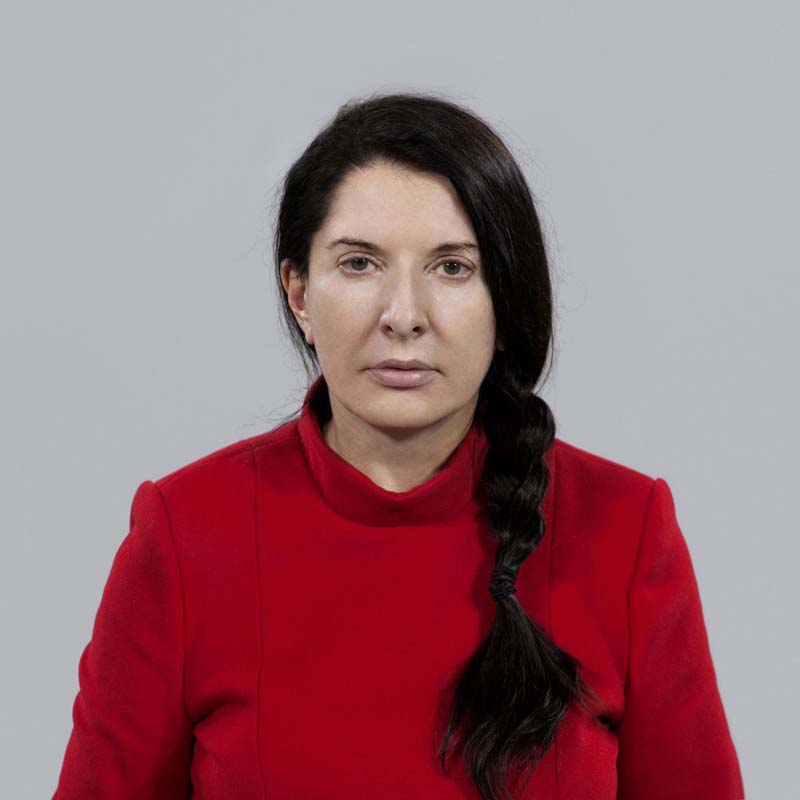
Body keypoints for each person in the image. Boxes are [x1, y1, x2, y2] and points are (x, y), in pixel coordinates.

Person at [52, 91, 744, 800]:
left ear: (505, 302)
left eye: (452, 267)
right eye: (360, 263)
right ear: (299, 294)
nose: (404, 316)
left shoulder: (625, 529)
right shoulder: (185, 534)